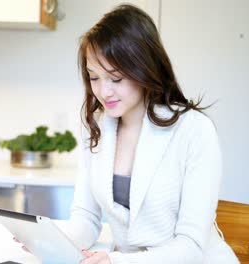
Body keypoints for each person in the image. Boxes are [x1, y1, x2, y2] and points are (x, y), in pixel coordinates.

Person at [62, 4, 239, 263]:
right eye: (94, 77)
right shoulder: (96, 126)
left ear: (143, 68)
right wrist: (53, 241)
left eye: (115, 78)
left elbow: (190, 247)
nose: (103, 92)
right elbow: (86, 217)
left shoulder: (194, 130)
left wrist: (117, 261)